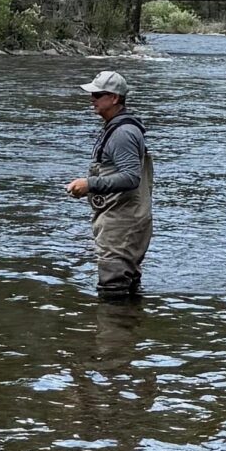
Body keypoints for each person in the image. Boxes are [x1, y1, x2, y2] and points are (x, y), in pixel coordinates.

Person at [67, 69, 153, 302]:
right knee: (128, 286)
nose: (91, 99)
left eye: (97, 95)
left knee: (112, 290)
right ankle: (128, 331)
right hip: (125, 219)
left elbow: (130, 177)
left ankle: (112, 336)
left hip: (122, 223)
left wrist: (90, 184)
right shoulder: (120, 128)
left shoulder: (123, 133)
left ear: (114, 98)